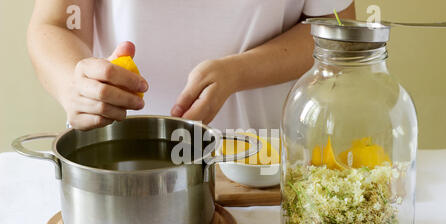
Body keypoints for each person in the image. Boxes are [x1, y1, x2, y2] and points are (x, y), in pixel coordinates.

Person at [28, 0, 355, 131]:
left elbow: (336, 28)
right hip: (119, 170)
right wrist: (75, 85)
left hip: (262, 172)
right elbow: (56, 23)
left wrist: (239, 72)